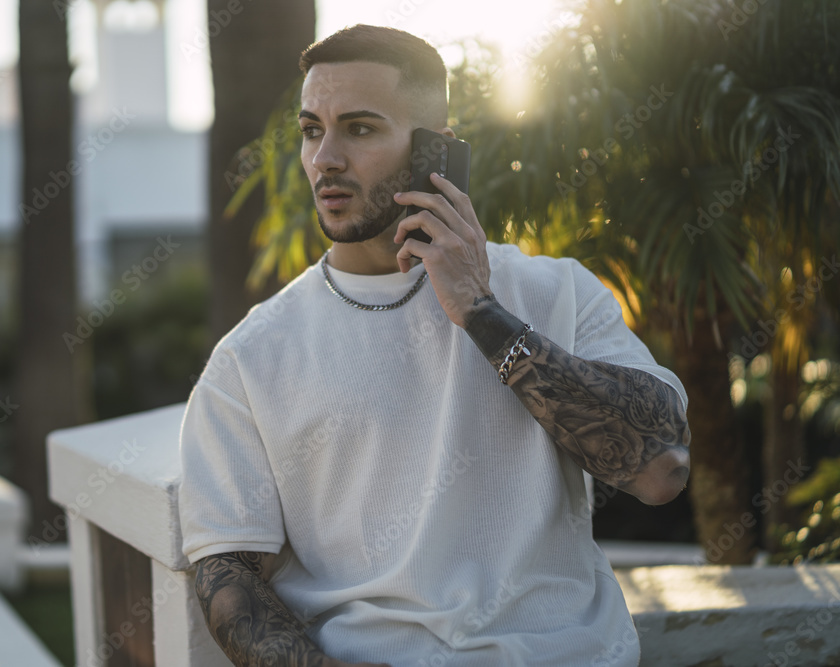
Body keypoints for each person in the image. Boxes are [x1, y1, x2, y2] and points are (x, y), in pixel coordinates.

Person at [178, 24, 690, 667]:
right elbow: (229, 578)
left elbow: (659, 469)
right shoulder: (250, 359)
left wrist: (481, 313)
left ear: (436, 153)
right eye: (312, 129)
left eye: (359, 128)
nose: (324, 159)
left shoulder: (554, 293)